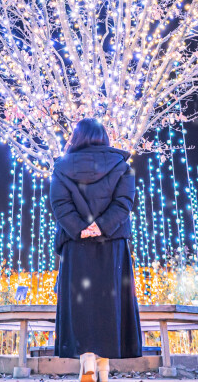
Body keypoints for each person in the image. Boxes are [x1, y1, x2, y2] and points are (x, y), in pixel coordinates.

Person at [50, 118, 142, 382]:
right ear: (104, 137)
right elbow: (124, 203)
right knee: (109, 305)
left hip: (75, 245)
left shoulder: (61, 167)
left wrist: (81, 228)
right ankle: (103, 369)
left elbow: (60, 204)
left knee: (82, 305)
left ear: (76, 138)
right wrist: (101, 226)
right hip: (112, 244)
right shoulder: (122, 166)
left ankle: (88, 363)